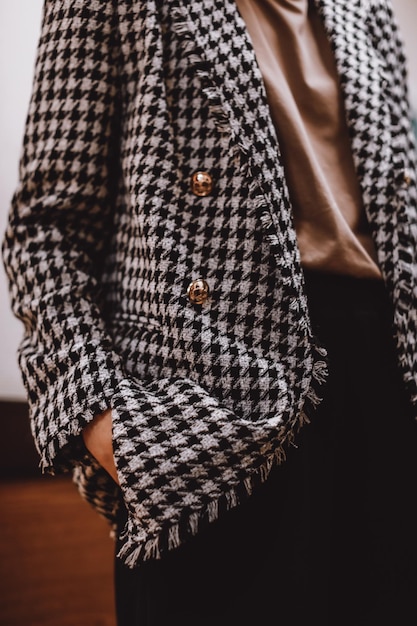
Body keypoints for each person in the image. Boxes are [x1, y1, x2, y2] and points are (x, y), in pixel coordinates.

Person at [3, 0, 417, 624]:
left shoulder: (367, 9)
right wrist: (100, 419)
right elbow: (47, 229)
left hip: (385, 378)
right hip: (210, 395)